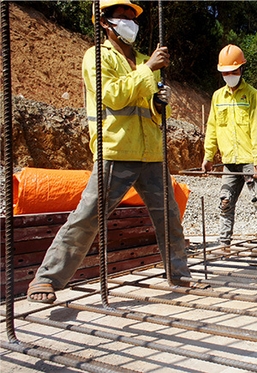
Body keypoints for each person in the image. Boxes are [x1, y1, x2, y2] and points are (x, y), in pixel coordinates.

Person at [27, 0, 194, 303]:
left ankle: (179, 274)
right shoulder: (97, 57)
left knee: (169, 218)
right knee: (88, 216)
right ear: (105, 22)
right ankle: (47, 278)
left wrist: (158, 104)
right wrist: (148, 70)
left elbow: (150, 109)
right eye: (123, 17)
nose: (131, 23)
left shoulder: (144, 58)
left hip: (151, 152)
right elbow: (113, 97)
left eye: (133, 17)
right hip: (116, 150)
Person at [201, 44, 257, 248]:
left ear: (242, 69)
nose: (230, 75)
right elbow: (212, 127)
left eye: (233, 71)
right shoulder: (218, 97)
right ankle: (224, 241)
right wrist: (208, 156)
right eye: (226, 72)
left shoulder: (252, 95)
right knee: (225, 202)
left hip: (249, 160)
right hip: (229, 161)